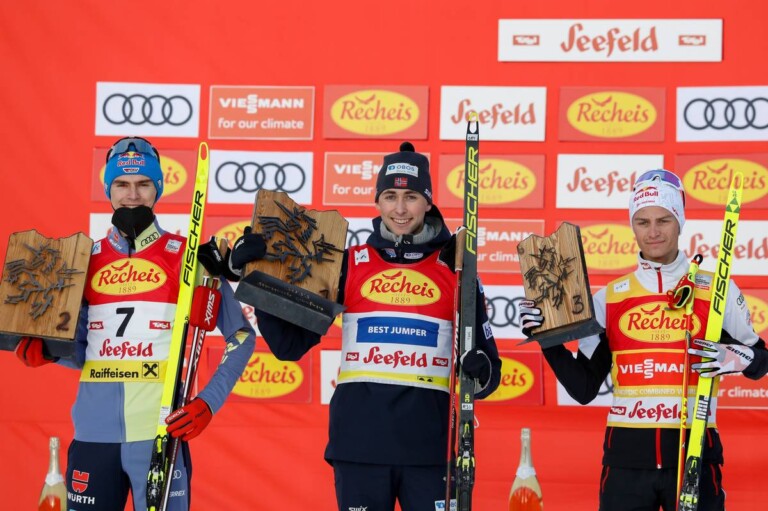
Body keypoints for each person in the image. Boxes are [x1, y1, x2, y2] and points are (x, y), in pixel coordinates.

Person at [229, 141, 502, 511]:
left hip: (430, 448)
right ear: (377, 202)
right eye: (390, 196)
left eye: (411, 197)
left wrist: (477, 371)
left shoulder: (456, 268)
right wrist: (258, 281)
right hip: (359, 446)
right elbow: (289, 346)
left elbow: (488, 375)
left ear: (428, 201)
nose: (400, 209)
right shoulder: (349, 263)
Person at [14, 136, 256, 511]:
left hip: (159, 433)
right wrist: (46, 351)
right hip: (93, 437)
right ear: (108, 189)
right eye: (122, 185)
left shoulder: (189, 259)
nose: (132, 195)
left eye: (143, 184)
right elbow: (82, 353)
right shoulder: (80, 262)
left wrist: (208, 402)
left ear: (157, 189)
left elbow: (241, 335)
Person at [520, 169, 768, 511]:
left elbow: (761, 360)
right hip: (626, 463)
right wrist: (547, 339)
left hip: (694, 453)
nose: (653, 232)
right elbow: (584, 388)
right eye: (642, 222)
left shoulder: (716, 289)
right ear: (632, 226)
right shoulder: (609, 299)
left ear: (680, 221)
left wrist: (737, 357)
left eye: (664, 220)